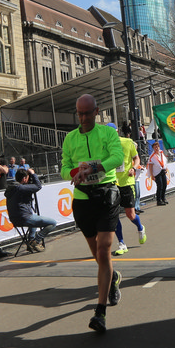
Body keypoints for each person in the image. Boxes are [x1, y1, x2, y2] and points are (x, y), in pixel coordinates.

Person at [61, 94, 124, 334]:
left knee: (104, 248)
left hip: (106, 194)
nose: (84, 117)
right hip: (82, 199)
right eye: (80, 113)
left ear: (97, 112)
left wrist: (94, 168)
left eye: (88, 113)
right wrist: (75, 173)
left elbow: (117, 157)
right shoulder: (70, 138)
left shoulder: (107, 133)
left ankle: (100, 312)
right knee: (97, 254)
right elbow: (64, 167)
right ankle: (112, 278)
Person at [5, 167, 57, 252]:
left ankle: (30, 241)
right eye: (28, 178)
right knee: (53, 223)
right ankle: (36, 241)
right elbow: (38, 186)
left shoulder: (12, 188)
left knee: (34, 217)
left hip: (14, 219)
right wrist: (33, 174)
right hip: (24, 218)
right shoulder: (20, 188)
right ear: (24, 179)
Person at [112, 128, 147, 256]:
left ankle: (140, 227)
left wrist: (134, 167)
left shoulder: (127, 142)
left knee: (130, 214)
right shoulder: (103, 145)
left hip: (127, 182)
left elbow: (137, 158)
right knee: (114, 215)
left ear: (116, 132)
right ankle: (121, 243)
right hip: (112, 183)